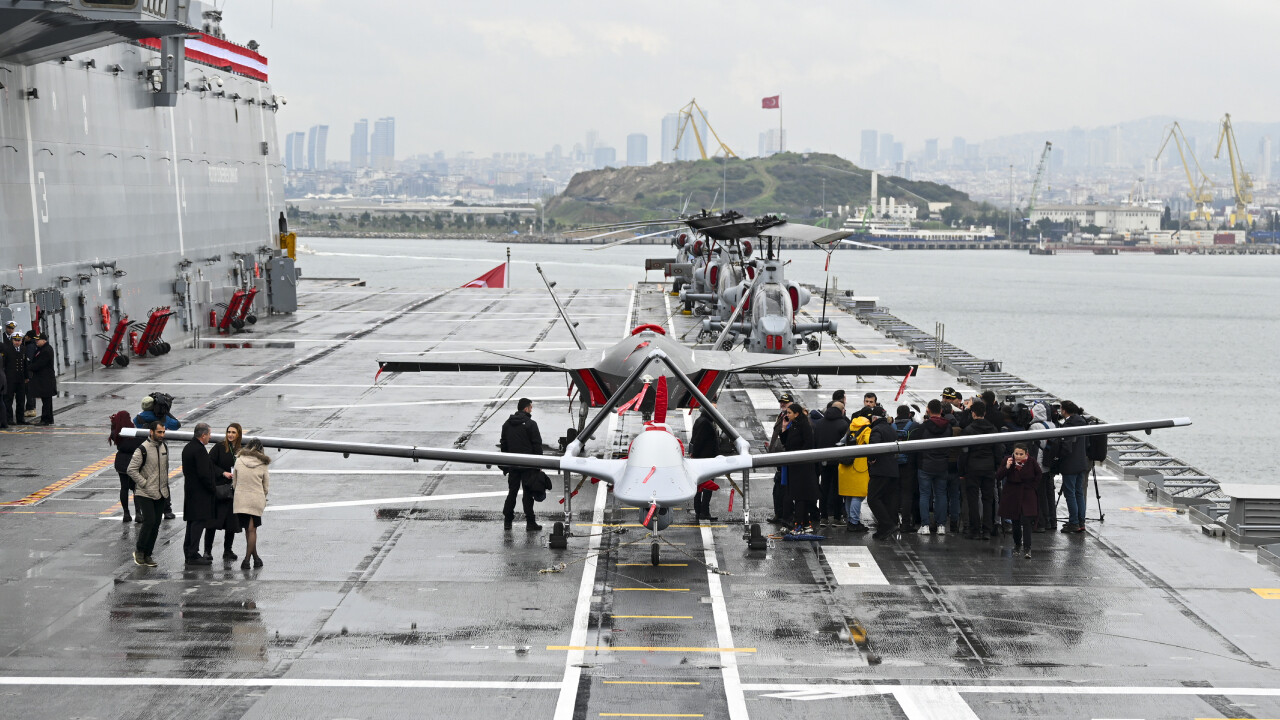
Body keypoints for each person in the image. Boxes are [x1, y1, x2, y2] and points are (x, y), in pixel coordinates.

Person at [126, 421, 170, 567]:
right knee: (149, 521)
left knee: (156, 523)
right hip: (144, 492)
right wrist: (144, 483)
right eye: (159, 432)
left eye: (163, 432)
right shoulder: (142, 449)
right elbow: (131, 469)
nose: (162, 435)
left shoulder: (164, 447)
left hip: (160, 492)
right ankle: (139, 551)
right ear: (151, 432)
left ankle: (148, 554)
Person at [959, 400, 1002, 540]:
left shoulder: (968, 430)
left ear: (973, 413)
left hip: (973, 468)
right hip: (989, 468)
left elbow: (964, 452)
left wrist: (962, 470)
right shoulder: (993, 429)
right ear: (985, 413)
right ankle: (987, 530)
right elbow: (998, 451)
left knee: (973, 500)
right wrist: (996, 466)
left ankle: (975, 529)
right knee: (988, 499)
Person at [499, 398, 543, 531]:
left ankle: (507, 521)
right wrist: (538, 464)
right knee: (528, 494)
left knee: (512, 492)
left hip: (513, 464)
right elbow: (537, 445)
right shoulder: (531, 424)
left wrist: (506, 465)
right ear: (526, 408)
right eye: (530, 407)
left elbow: (504, 445)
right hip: (528, 465)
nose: (532, 409)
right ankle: (530, 522)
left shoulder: (507, 424)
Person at [912, 399, 952, 535]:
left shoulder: (923, 427)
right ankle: (941, 525)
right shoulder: (948, 426)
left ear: (928, 410)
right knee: (941, 495)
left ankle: (925, 525)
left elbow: (917, 445)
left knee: (925, 494)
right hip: (942, 465)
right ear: (941, 411)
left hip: (925, 465)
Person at [181, 423, 218, 565]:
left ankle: (188, 551)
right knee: (198, 523)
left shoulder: (188, 448)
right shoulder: (199, 450)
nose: (210, 437)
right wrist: (212, 488)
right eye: (209, 434)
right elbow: (204, 474)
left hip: (190, 491)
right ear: (203, 435)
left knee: (191, 523)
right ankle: (193, 554)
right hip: (200, 494)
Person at [205, 423, 243, 561]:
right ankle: (207, 551)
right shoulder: (220, 447)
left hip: (234, 491)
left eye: (233, 432)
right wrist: (222, 473)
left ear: (238, 434)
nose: (230, 435)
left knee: (231, 523)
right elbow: (209, 463)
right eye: (228, 432)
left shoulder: (241, 450)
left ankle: (228, 550)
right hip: (220, 489)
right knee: (212, 523)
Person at [780, 402, 819, 533]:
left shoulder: (804, 426)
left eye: (789, 413)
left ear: (796, 414)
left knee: (800, 496)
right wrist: (784, 428)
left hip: (802, 467)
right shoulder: (795, 425)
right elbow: (786, 442)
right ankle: (806, 524)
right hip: (795, 466)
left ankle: (799, 524)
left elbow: (809, 444)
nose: (787, 415)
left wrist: (798, 457)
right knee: (798, 495)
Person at [997, 444, 1042, 559]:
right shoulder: (1008, 460)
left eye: (1021, 454)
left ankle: (1027, 548)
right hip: (1013, 494)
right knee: (1015, 522)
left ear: (1026, 454)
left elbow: (1038, 474)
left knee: (1026, 521)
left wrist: (1033, 487)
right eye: (1016, 453)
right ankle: (1017, 544)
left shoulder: (1031, 462)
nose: (1018, 456)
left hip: (1027, 493)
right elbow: (998, 476)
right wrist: (1007, 467)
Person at [232, 437, 270, 569]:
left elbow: (235, 482)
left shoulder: (239, 460)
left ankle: (256, 558)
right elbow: (265, 486)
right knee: (252, 530)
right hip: (256, 499)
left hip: (241, 499)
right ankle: (247, 560)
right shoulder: (263, 464)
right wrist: (262, 496)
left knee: (248, 531)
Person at [812, 400, 849, 527]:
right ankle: (837, 517)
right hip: (838, 462)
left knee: (824, 488)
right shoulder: (843, 424)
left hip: (823, 460)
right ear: (841, 410)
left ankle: (824, 517)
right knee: (837, 490)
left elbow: (815, 440)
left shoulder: (820, 423)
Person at [866, 405, 900, 540]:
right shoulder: (891, 429)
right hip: (892, 469)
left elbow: (874, 447)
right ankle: (884, 529)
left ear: (874, 418)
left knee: (873, 498)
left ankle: (887, 525)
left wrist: (871, 459)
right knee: (887, 499)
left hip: (880, 470)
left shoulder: (876, 429)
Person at [1057, 400, 1089, 533]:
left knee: (1070, 494)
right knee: (1079, 492)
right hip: (1081, 462)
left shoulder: (1069, 425)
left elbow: (1066, 447)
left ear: (1064, 410)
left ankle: (1074, 522)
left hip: (1070, 464)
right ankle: (1081, 522)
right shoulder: (1082, 422)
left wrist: (1058, 457)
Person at [1028, 402, 1059, 532]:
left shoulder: (1035, 426)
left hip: (1039, 464)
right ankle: (1052, 521)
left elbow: (1031, 446)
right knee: (1049, 494)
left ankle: (1040, 523)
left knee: (1039, 495)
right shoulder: (1053, 425)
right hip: (1049, 464)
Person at [766, 392, 796, 526]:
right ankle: (780, 513)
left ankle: (785, 514)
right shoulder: (782, 416)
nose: (782, 404)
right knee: (778, 488)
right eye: (781, 402)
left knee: (782, 489)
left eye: (785, 402)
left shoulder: (790, 418)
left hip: (785, 457)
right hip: (779, 457)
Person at [109, 411, 144, 522]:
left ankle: (126, 513)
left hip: (121, 461)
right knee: (136, 488)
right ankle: (138, 512)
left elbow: (113, 433)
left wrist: (113, 423)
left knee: (124, 487)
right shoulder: (133, 431)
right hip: (134, 461)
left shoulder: (117, 432)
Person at [688, 405, 721, 521]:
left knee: (700, 487)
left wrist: (693, 454)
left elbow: (694, 440)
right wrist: (695, 454)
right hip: (706, 461)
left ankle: (699, 511)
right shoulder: (706, 424)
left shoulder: (700, 421)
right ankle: (704, 511)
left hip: (702, 459)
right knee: (707, 488)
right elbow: (698, 441)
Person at [892, 405, 920, 532]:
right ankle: (905, 523)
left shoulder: (891, 427)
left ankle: (893, 522)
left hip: (894, 464)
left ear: (897, 414)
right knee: (907, 494)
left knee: (895, 493)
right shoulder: (914, 427)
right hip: (909, 464)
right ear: (909, 414)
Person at [27, 333, 56, 425]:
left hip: (46, 379)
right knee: (46, 400)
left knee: (46, 400)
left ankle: (45, 419)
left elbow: (39, 364)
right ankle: (49, 418)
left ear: (44, 340)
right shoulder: (41, 349)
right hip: (43, 379)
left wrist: (29, 367)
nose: (36, 342)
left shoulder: (46, 350)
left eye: (38, 340)